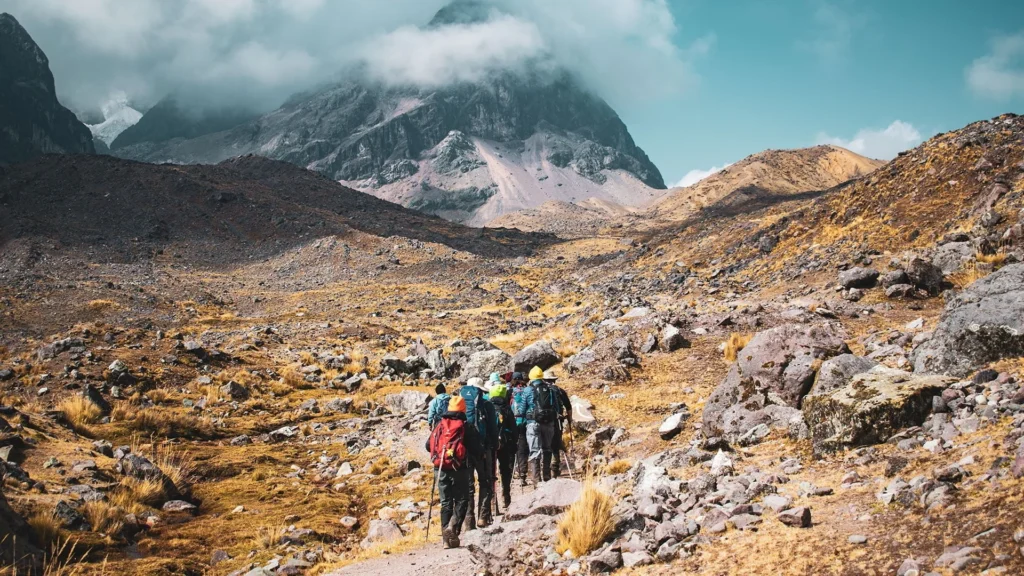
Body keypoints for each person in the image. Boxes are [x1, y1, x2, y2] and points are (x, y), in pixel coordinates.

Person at [426, 395, 482, 549]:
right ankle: (453, 528)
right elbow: (478, 449)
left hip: (440, 468)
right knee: (462, 499)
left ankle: (445, 538)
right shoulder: (466, 426)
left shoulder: (440, 424)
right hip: (460, 469)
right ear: (464, 409)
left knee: (446, 503)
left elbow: (427, 445)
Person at [459, 377, 499, 529]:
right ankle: (483, 516)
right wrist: (494, 445)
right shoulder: (487, 405)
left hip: (465, 450)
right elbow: (493, 429)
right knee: (485, 481)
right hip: (483, 449)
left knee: (468, 486)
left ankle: (469, 521)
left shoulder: (458, 403)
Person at [516, 366, 559, 485]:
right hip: (548, 423)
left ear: (531, 377)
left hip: (533, 423)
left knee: (535, 450)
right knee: (547, 449)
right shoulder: (550, 389)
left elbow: (522, 408)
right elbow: (556, 407)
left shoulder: (528, 390)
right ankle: (547, 477)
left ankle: (536, 480)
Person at [488, 378, 519, 508]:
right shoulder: (507, 408)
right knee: (505, 470)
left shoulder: (487, 407)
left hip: (491, 444)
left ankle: (492, 501)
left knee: (491, 471)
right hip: (505, 442)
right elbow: (514, 428)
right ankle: (506, 496)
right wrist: (515, 443)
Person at [543, 369, 573, 479]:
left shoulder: (540, 390)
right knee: (555, 443)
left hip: (543, 421)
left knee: (545, 444)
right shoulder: (559, 391)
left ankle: (545, 469)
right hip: (557, 421)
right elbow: (568, 406)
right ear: (553, 380)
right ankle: (555, 468)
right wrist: (569, 419)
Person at [509, 371, 530, 485]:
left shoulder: (510, 391)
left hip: (513, 423)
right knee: (523, 449)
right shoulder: (527, 390)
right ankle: (523, 474)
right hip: (526, 421)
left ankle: (512, 471)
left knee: (514, 448)